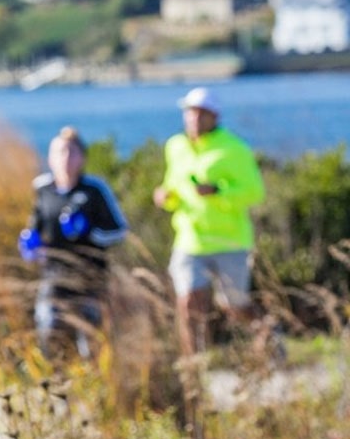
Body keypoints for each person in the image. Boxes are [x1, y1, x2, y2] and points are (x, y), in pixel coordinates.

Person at [153, 87, 269, 360]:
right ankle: (194, 364)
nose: (194, 119)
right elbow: (174, 187)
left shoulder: (234, 149)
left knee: (233, 305)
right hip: (190, 239)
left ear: (214, 116)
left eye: (201, 113)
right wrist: (165, 197)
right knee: (189, 302)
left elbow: (255, 193)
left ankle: (268, 338)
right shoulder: (176, 146)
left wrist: (218, 192)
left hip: (229, 239)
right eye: (190, 112)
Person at [19, 126, 128, 361]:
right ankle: (60, 387)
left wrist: (90, 232)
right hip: (54, 277)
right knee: (49, 332)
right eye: (60, 152)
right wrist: (30, 243)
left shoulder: (94, 189)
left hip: (90, 278)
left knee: (91, 341)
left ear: (82, 157)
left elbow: (119, 230)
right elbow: (35, 224)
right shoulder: (42, 188)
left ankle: (94, 389)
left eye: (71, 152)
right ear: (50, 157)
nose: (65, 158)